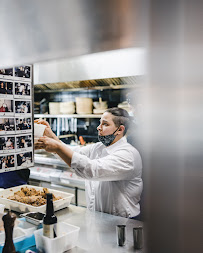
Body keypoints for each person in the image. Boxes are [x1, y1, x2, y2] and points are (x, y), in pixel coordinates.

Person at [35, 107, 143, 218]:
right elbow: (72, 152)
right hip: (99, 220)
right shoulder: (98, 147)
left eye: (105, 124)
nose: (98, 128)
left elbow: (92, 170)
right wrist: (51, 136)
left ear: (120, 130)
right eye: (100, 123)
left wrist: (57, 147)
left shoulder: (128, 155)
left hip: (123, 224)